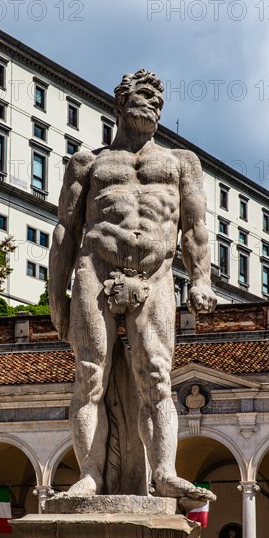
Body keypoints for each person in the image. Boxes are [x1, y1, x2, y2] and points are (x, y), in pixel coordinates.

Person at [49, 69, 217, 499]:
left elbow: (196, 228)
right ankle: (90, 474)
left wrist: (201, 280)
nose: (155, 103)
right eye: (145, 95)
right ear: (119, 103)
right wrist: (57, 297)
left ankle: (163, 471)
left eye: (160, 98)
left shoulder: (182, 163)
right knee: (89, 375)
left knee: (157, 377)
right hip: (95, 267)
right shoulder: (89, 163)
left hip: (156, 273)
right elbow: (66, 229)